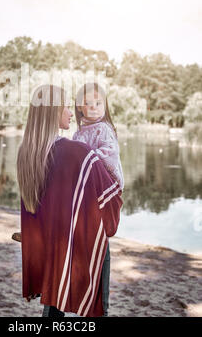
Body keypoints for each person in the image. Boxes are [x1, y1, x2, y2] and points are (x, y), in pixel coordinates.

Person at [16, 84, 123, 317]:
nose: (71, 112)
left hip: (49, 240)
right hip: (80, 237)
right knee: (97, 307)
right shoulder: (77, 151)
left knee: (53, 301)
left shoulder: (27, 152)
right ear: (53, 111)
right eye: (65, 106)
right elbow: (110, 194)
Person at [72, 82, 125, 316]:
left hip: (104, 187)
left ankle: (100, 306)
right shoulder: (78, 132)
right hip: (87, 190)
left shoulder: (104, 130)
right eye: (88, 103)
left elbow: (108, 156)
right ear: (79, 107)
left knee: (101, 238)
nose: (94, 107)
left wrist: (86, 157)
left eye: (98, 103)